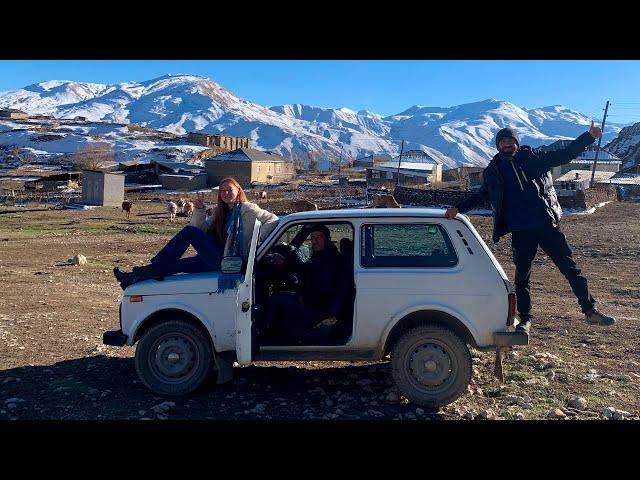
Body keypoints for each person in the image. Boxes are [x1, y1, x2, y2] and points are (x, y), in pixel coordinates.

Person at [444, 123, 615, 335]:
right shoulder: (493, 171)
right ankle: (525, 320)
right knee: (522, 277)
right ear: (498, 146)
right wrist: (458, 209)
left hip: (546, 225)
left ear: (517, 143)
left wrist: (588, 136)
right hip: (521, 230)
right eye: (503, 141)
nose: (507, 144)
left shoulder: (533, 158)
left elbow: (564, 155)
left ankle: (590, 311)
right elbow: (481, 196)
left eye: (510, 140)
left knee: (570, 269)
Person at [113, 177, 278, 289]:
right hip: (212, 257)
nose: (226, 193)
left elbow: (273, 220)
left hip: (229, 261)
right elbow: (202, 230)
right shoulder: (219, 212)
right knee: (174, 265)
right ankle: (133, 278)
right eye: (223, 191)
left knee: (189, 232)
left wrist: (255, 241)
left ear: (239, 190)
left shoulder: (247, 209)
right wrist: (199, 210)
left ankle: (155, 265)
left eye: (230, 190)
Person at [266, 224, 349, 342]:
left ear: (328, 239)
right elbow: (308, 273)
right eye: (312, 237)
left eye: (319, 237)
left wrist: (304, 297)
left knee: (275, 301)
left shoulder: (330, 258)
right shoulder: (322, 255)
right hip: (317, 302)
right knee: (282, 297)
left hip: (320, 307)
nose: (315, 241)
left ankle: (268, 337)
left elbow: (320, 283)